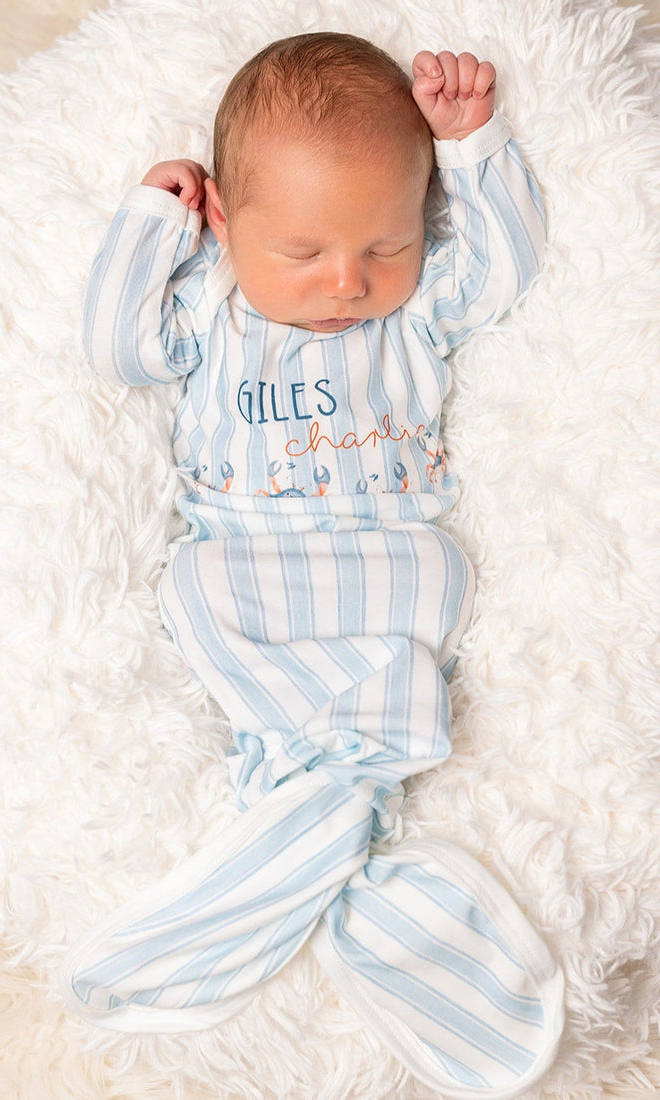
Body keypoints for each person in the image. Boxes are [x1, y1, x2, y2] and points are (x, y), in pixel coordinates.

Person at [61, 32, 564, 1097]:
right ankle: (343, 792)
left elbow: (505, 269)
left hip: (392, 550)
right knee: (189, 594)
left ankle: (310, 792)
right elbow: (113, 345)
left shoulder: (417, 306)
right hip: (245, 554)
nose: (346, 281)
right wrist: (152, 221)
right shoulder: (206, 301)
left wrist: (472, 149)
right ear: (230, 226)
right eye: (301, 253)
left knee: (431, 588)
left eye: (383, 245)